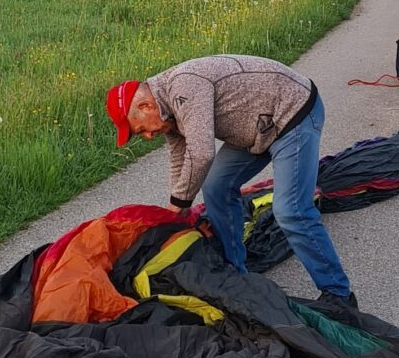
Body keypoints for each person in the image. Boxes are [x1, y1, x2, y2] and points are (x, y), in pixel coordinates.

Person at [106, 55, 357, 308]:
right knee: (216, 186)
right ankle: (236, 273)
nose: (148, 136)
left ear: (147, 106)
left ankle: (338, 294)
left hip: (292, 113)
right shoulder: (166, 110)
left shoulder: (184, 86)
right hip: (257, 127)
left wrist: (179, 202)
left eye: (141, 130)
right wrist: (176, 211)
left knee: (291, 210)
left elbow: (201, 153)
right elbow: (180, 158)